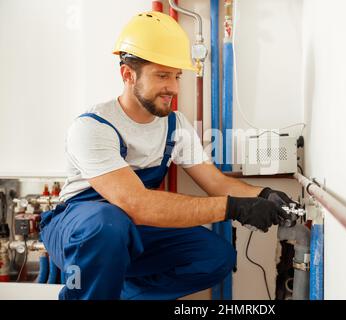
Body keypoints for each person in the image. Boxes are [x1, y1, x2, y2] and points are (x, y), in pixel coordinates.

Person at [40, 11, 294, 300]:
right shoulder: (93, 127)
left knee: (215, 255)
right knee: (107, 225)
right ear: (127, 74)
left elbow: (217, 183)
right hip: (77, 229)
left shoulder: (176, 126)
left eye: (176, 76)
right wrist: (234, 208)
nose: (173, 88)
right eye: (162, 75)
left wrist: (263, 194)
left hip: (129, 228)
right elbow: (136, 203)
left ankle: (122, 295)